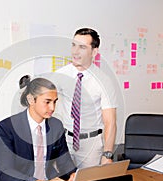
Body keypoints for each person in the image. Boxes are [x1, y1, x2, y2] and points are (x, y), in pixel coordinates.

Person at [0, 77, 76, 181]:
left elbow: (64, 161)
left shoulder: (56, 125)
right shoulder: (8, 127)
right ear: (31, 100)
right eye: (47, 102)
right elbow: (5, 172)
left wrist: (73, 174)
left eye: (55, 102)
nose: (52, 108)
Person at [51, 28, 118, 168]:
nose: (75, 51)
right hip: (64, 141)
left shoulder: (104, 81)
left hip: (91, 145)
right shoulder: (60, 75)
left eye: (82, 47)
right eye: (73, 45)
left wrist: (108, 154)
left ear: (94, 52)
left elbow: (110, 121)